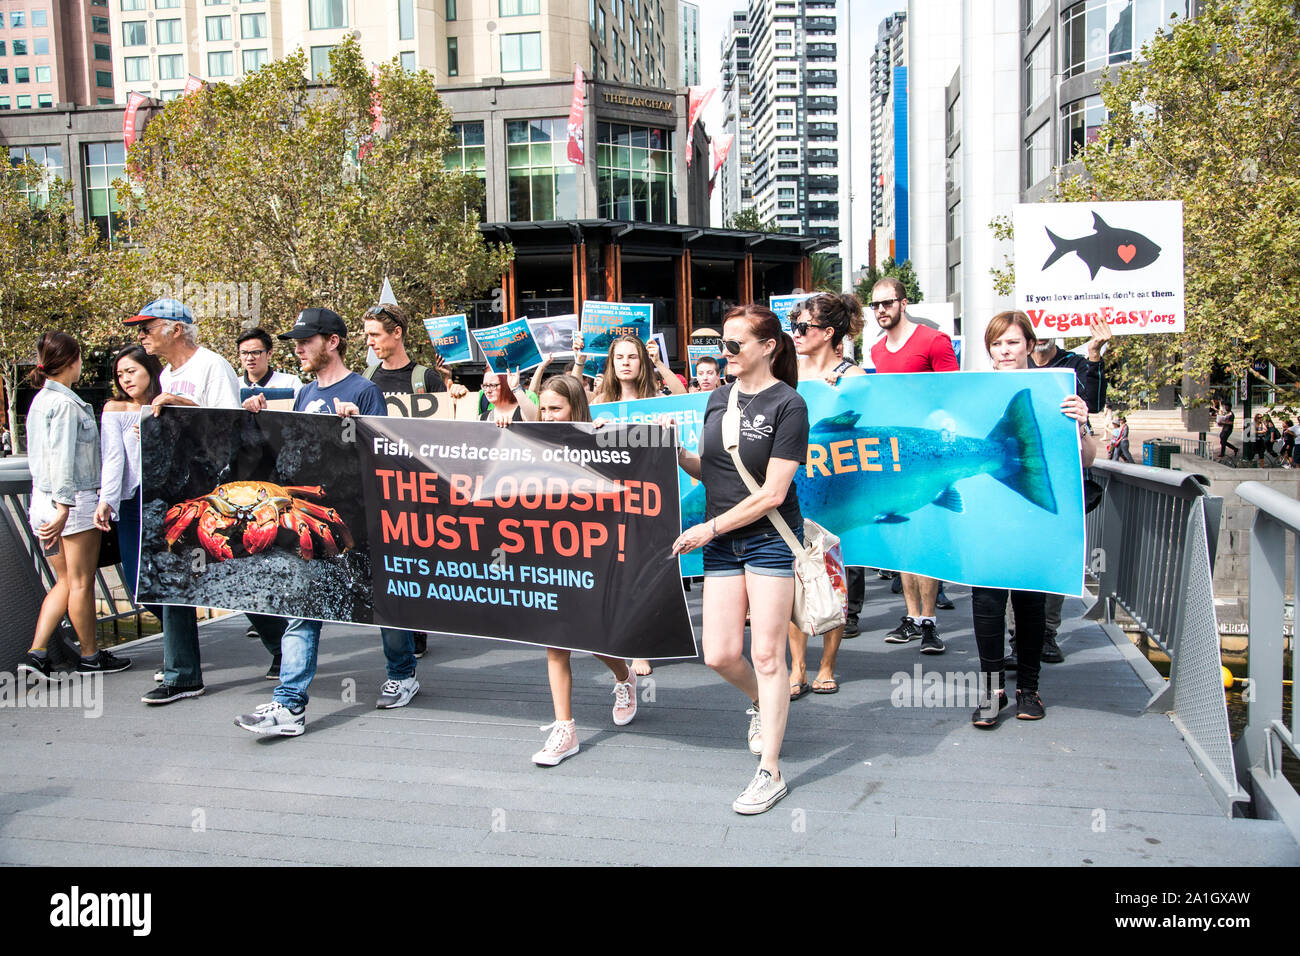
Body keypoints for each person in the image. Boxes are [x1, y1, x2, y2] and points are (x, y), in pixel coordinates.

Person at [235, 308, 421, 736]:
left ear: (332, 342)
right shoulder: (301, 395)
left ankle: (403, 673)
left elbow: (384, 454)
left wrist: (356, 427)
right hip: (313, 523)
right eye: (295, 341)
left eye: (306, 340)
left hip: (360, 521)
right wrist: (261, 418)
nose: (297, 348)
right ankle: (289, 705)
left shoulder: (366, 390)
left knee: (383, 602)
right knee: (303, 609)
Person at [670, 304, 809, 815]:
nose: (723, 354)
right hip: (725, 540)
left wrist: (706, 529)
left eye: (734, 345)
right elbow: (712, 469)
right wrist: (672, 455)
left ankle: (770, 771)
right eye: (720, 346)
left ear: (768, 347)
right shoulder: (716, 398)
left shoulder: (789, 405)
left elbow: (773, 492)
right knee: (721, 653)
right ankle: (760, 703)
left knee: (770, 655)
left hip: (769, 538)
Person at [500, 374, 639, 764]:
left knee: (591, 637)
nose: (546, 414)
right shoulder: (532, 439)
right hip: (548, 552)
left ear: (575, 407)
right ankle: (565, 729)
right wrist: (503, 431)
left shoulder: (599, 437)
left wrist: (607, 438)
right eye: (543, 407)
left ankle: (623, 676)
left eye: (555, 408)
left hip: (591, 554)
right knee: (555, 641)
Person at [973, 311, 1096, 727]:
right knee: (986, 602)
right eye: (997, 344)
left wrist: (1082, 423)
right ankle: (993, 692)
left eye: (1011, 342)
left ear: (1029, 344)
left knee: (1028, 602)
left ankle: (1029, 688)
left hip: (1032, 515)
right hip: (987, 514)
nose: (1004, 351)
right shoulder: (972, 389)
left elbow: (1085, 459)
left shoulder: (1056, 390)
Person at [128, 298, 241, 705]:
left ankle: (281, 647)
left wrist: (184, 407)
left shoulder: (211, 366)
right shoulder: (167, 374)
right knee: (170, 574)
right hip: (177, 493)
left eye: (147, 326)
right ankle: (182, 675)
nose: (140, 335)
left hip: (214, 494)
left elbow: (233, 427)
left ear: (176, 329)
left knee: (236, 571)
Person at [18, 332, 133, 682]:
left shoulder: (39, 401)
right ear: (73, 361)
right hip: (72, 501)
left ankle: (37, 654)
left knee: (64, 581)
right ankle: (90, 657)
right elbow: (64, 458)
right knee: (81, 582)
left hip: (41, 500)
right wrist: (65, 506)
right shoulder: (68, 405)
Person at [868, 277, 958, 655]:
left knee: (928, 534)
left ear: (904, 303)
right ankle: (911, 618)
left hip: (930, 454)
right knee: (905, 537)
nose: (881, 310)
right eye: (874, 305)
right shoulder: (875, 351)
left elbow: (954, 394)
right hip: (893, 457)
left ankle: (931, 622)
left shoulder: (934, 342)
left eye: (887, 303)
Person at [787, 292, 865, 697]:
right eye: (794, 326)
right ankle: (797, 666)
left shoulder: (853, 376)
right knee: (791, 577)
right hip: (793, 486)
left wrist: (845, 393)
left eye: (803, 328)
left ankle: (827, 664)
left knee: (834, 577)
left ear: (828, 332)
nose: (796, 334)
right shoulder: (787, 373)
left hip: (836, 489)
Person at [362, 302, 445, 659]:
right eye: (366, 336)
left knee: (416, 558)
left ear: (397, 333)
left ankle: (417, 629)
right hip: (381, 486)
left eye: (375, 335)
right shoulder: (365, 380)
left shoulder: (426, 378)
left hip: (419, 487)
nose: (369, 343)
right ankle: (402, 628)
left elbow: (445, 434)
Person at [587, 333, 672, 677]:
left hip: (651, 497)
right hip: (611, 500)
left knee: (645, 571)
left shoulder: (660, 400)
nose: (625, 362)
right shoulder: (598, 403)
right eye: (619, 357)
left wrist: (666, 423)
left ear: (643, 362)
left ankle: (642, 647)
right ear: (611, 363)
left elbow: (691, 402)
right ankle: (624, 640)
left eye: (632, 357)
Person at [93, 345, 166, 629]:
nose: (125, 379)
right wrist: (106, 501)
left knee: (169, 578)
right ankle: (180, 633)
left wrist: (155, 433)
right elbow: (113, 458)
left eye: (131, 371)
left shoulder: (167, 405)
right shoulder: (115, 408)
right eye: (120, 374)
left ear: (149, 370)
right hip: (131, 501)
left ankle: (178, 648)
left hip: (165, 500)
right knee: (137, 581)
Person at [1029, 316, 1111, 413]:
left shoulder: (1075, 363)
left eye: (1046, 324)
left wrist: (1094, 353)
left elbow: (1093, 405)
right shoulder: (1016, 364)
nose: (1041, 335)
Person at [236, 328, 303, 395]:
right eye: (244, 353)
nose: (250, 358)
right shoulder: (233, 386)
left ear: (269, 354)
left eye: (255, 352)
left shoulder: (290, 383)